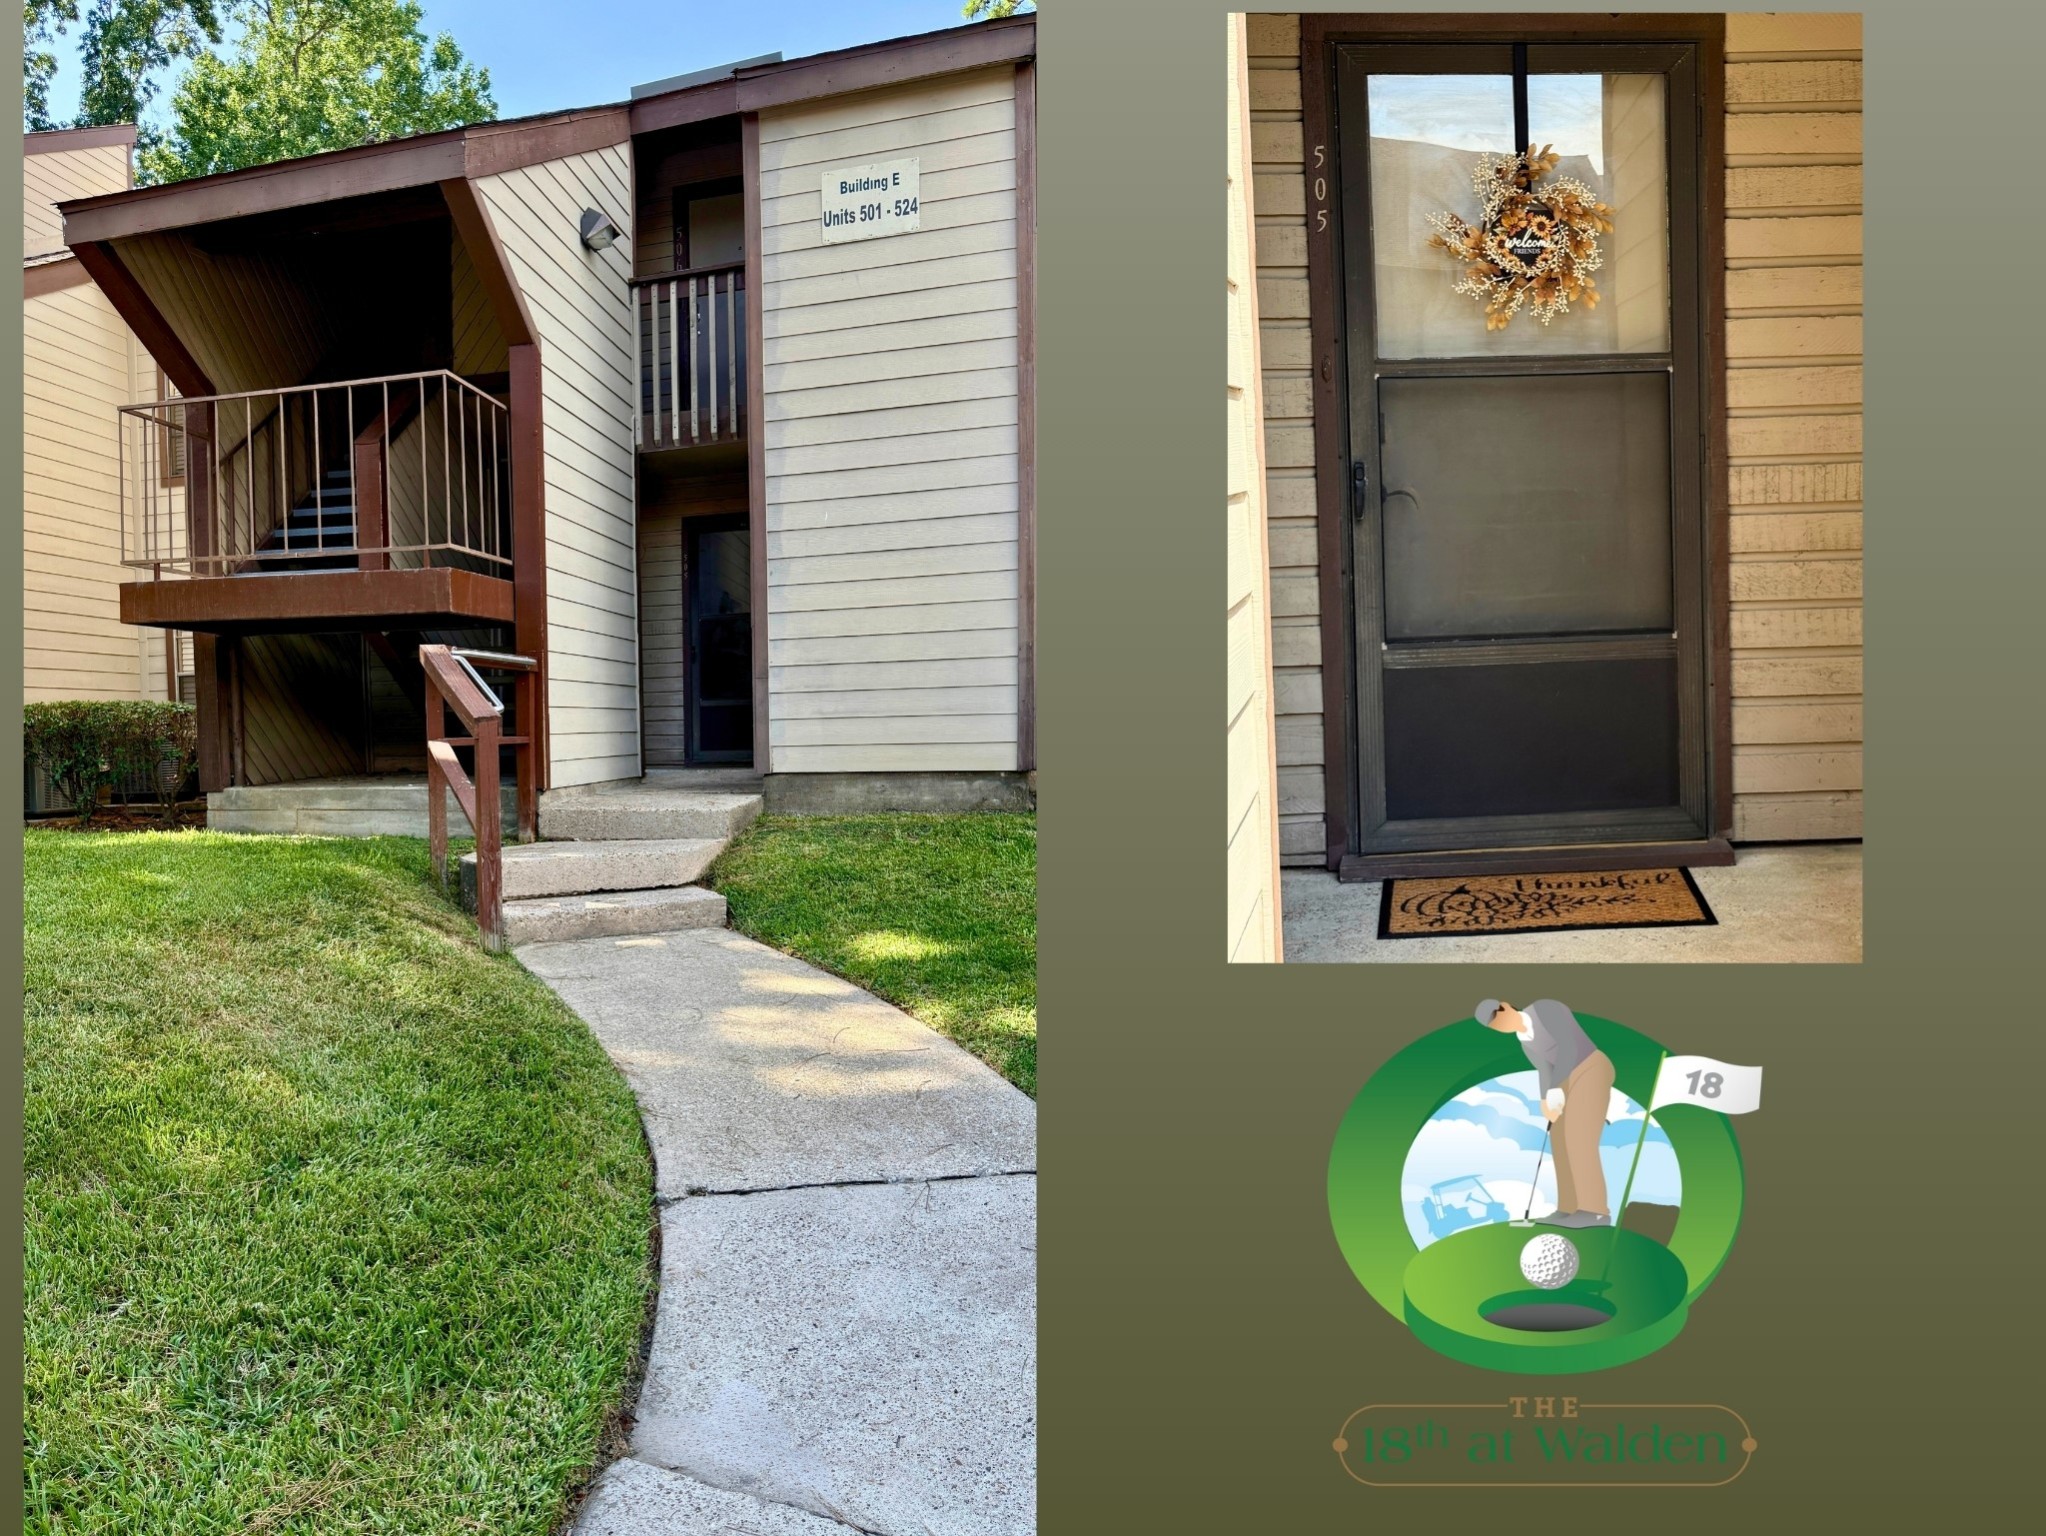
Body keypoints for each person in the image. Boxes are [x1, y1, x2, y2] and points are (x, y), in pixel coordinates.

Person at [1476, 999, 1613, 1229]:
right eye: (1494, 1026)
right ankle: (1567, 1208)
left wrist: (1556, 1088)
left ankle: (1595, 1211)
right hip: (1565, 1078)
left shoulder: (1544, 1009)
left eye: (1497, 1017)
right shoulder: (1525, 1042)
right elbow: (1544, 1069)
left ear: (1506, 1006)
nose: (1500, 1025)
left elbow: (1569, 1046)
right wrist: (1545, 1101)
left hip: (1591, 1067)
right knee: (1558, 1138)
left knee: (1579, 1138)